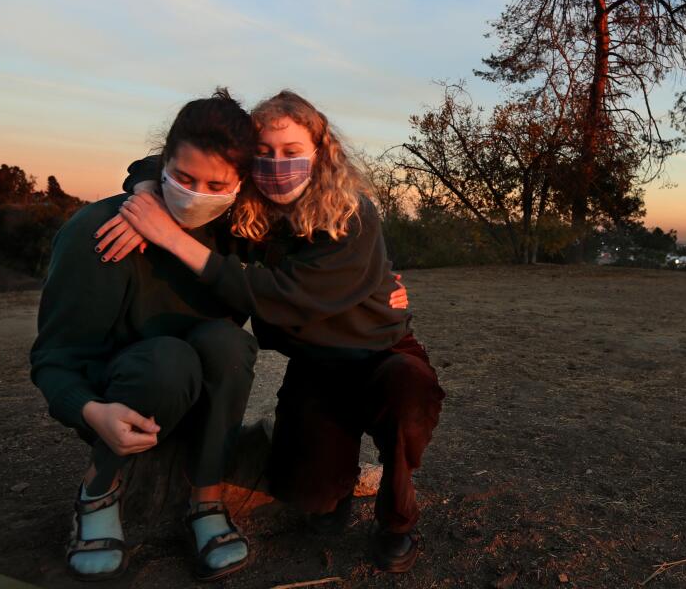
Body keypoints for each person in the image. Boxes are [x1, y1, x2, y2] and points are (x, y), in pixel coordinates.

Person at [101, 90, 444, 573]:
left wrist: (170, 237)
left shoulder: (353, 212)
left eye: (291, 153)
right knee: (308, 493)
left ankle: (397, 514)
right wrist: (146, 193)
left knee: (407, 399)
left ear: (320, 153)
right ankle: (336, 490)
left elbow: (284, 295)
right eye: (262, 153)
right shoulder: (247, 207)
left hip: (382, 352)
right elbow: (165, 157)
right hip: (316, 365)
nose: (276, 166)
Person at [30, 89, 259, 582]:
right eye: (181, 178)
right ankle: (98, 488)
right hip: (122, 391)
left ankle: (206, 497)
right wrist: (92, 411)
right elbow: (54, 359)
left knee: (229, 343)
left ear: (241, 183)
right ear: (163, 167)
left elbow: (297, 281)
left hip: (202, 391)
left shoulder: (239, 230)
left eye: (215, 184)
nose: (196, 193)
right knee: (168, 360)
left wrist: (380, 280)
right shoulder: (97, 229)